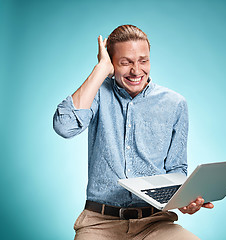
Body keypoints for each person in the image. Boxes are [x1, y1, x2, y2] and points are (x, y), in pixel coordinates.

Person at [53, 25, 214, 240]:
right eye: (125, 62)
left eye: (143, 61)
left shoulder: (175, 103)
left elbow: (176, 168)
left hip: (155, 222)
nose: (136, 71)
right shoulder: (97, 94)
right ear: (112, 63)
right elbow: (65, 126)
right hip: (99, 223)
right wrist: (100, 70)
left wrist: (183, 199)